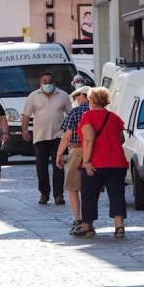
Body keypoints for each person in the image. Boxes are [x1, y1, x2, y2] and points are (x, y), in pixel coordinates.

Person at [72, 87, 128, 238]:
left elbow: (89, 139)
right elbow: (121, 139)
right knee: (117, 194)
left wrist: (87, 160)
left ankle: (87, 226)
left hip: (96, 163)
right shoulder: (114, 117)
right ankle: (119, 226)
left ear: (91, 100)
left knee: (89, 195)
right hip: (116, 162)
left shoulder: (87, 117)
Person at [21, 71, 72, 205]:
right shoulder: (33, 96)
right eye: (45, 81)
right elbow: (26, 115)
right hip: (40, 136)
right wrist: (25, 130)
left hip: (59, 136)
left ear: (54, 82)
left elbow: (70, 114)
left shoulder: (63, 95)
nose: (47, 84)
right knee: (41, 167)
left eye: (50, 81)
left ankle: (59, 194)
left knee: (59, 166)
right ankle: (44, 193)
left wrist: (71, 132)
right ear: (40, 83)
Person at [55, 85, 91, 234]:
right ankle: (89, 222)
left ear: (83, 97)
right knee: (89, 189)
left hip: (77, 150)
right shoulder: (101, 111)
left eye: (77, 97)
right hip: (95, 152)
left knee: (72, 187)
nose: (76, 100)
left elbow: (67, 135)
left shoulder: (76, 112)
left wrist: (59, 154)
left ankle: (78, 220)